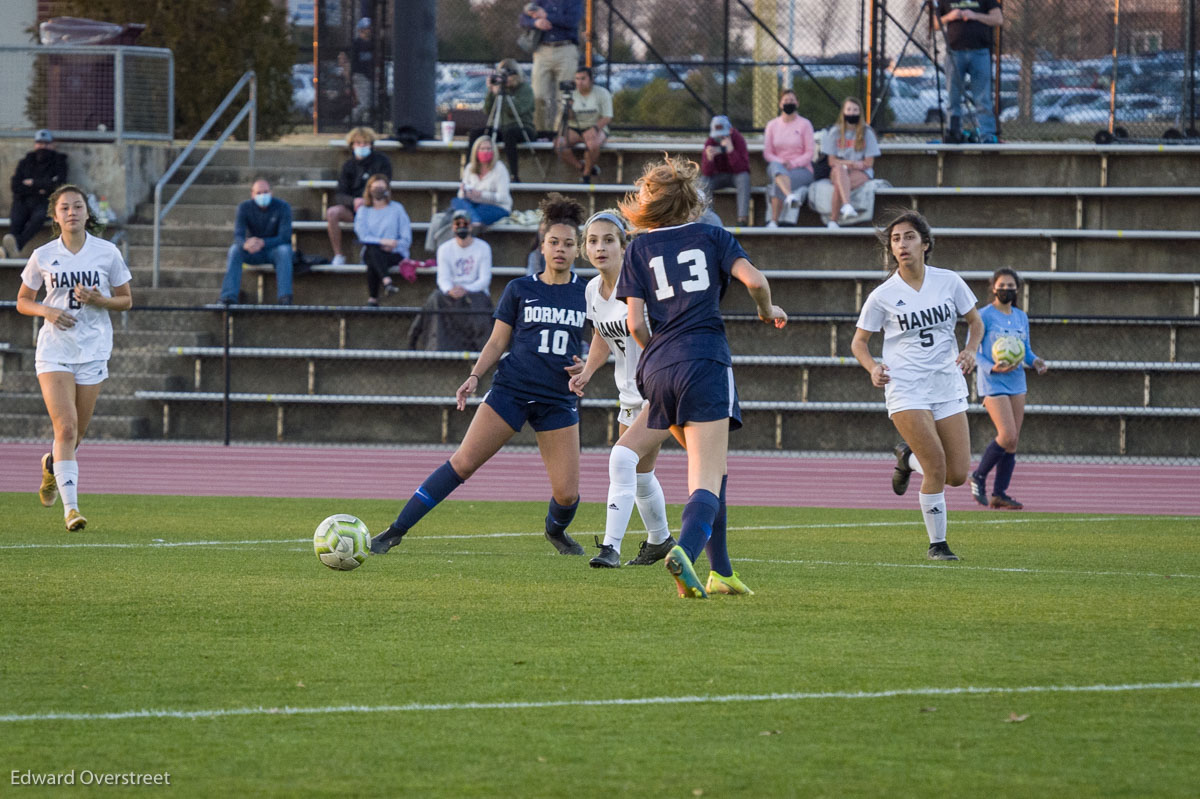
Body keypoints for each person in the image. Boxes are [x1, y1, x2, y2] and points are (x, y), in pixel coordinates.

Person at [370, 193, 590, 558]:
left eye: (568, 244)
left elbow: (605, 340)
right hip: (512, 391)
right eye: (554, 242)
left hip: (557, 399)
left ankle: (556, 531)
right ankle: (395, 531)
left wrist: (589, 365)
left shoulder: (588, 293)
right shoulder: (520, 289)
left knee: (567, 494)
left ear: (577, 248)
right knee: (463, 463)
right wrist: (474, 376)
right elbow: (497, 341)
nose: (560, 250)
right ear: (542, 243)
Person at [613, 155, 787, 598]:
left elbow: (634, 325)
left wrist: (660, 354)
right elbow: (756, 281)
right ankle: (684, 553)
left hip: (655, 367)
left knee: (714, 467)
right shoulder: (714, 235)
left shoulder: (637, 248)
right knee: (706, 478)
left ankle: (722, 571)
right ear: (693, 199)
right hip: (704, 361)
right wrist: (769, 312)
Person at [850, 211, 984, 562]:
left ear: (925, 244)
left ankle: (906, 458)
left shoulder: (949, 281)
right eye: (896, 239)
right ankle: (937, 545)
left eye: (909, 236)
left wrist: (970, 350)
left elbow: (975, 321)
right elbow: (859, 343)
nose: (902, 244)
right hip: (906, 387)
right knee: (937, 465)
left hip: (946, 384)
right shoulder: (883, 295)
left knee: (956, 474)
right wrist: (871, 367)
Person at [16, 184, 132, 531]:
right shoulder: (43, 255)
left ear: (87, 212)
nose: (72, 212)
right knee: (64, 428)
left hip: (93, 349)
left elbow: (126, 299)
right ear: (55, 216)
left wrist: (100, 300)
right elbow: (23, 300)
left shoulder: (107, 253)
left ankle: (52, 465)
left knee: (76, 435)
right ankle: (72, 511)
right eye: (64, 208)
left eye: (78, 206)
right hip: (55, 351)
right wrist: (47, 312)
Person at [568, 211, 674, 568]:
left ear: (624, 246)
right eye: (593, 241)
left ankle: (610, 548)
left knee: (620, 458)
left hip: (658, 389)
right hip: (629, 394)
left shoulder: (643, 285)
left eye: (609, 240)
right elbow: (601, 333)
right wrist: (588, 369)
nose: (600, 247)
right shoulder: (591, 290)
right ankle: (660, 541)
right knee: (641, 475)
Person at [970, 268, 1048, 510]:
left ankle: (999, 494)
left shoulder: (1021, 317)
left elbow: (1025, 348)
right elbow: (972, 352)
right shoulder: (982, 315)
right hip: (993, 381)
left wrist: (1035, 361)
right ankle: (978, 476)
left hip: (1017, 381)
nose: (1006, 290)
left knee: (1013, 442)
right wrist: (992, 367)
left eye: (1010, 286)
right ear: (993, 288)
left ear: (1017, 289)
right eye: (1001, 285)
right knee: (1007, 435)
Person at [414, 208, 493, 351]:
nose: (462, 227)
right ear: (453, 227)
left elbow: (484, 280)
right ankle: (436, 347)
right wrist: (450, 290)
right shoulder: (444, 248)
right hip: (452, 294)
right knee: (436, 298)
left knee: (479, 302)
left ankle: (482, 349)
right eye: (458, 224)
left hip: (475, 293)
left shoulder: (483, 247)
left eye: (465, 223)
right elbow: (443, 279)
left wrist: (466, 289)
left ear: (471, 226)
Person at [936, 0, 1003, 143]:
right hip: (954, 53)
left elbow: (998, 19)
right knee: (953, 97)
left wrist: (975, 15)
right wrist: (949, 17)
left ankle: (987, 135)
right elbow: (934, 24)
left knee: (983, 98)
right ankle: (954, 132)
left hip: (980, 52)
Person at [219, 179, 293, 305]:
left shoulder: (283, 207)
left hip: (273, 250)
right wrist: (245, 244)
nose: (262, 195)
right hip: (252, 251)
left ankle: (285, 298)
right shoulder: (244, 207)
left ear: (271, 192)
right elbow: (238, 235)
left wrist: (263, 242)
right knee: (234, 250)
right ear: (252, 194)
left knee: (285, 251)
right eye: (258, 193)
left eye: (265, 192)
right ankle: (228, 297)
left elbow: (285, 237)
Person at [326, 127, 392, 266]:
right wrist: (353, 201)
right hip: (354, 208)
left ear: (371, 144)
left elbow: (384, 186)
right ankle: (338, 255)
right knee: (332, 212)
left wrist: (367, 198)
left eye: (365, 143)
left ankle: (370, 249)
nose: (362, 146)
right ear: (352, 145)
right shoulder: (348, 166)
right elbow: (340, 194)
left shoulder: (382, 161)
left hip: (375, 207)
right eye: (358, 143)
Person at [520, 0, 583, 135]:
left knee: (565, 97)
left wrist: (546, 15)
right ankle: (540, 133)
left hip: (566, 49)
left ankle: (559, 136)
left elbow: (571, 21)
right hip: (542, 50)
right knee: (538, 96)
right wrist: (535, 23)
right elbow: (523, 18)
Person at [4, 129, 69, 259]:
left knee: (39, 218)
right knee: (16, 219)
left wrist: (32, 182)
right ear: (35, 144)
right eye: (39, 143)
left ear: (52, 145)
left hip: (45, 202)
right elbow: (15, 185)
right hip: (23, 200)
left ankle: (12, 248)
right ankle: (11, 249)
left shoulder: (59, 162)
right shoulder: (26, 162)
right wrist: (42, 186)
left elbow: (59, 186)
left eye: (46, 143)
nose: (42, 147)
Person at [470, 59, 536, 182]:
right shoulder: (498, 90)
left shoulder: (525, 89)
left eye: (508, 76)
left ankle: (514, 175)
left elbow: (516, 110)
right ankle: (471, 171)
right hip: (501, 128)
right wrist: (491, 92)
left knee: (509, 133)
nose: (506, 79)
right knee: (476, 134)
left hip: (522, 128)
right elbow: (488, 110)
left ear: (516, 75)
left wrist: (504, 96)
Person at [821, 97, 881, 228]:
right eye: (849, 109)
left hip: (861, 172)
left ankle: (833, 221)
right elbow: (831, 161)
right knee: (840, 171)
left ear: (860, 112)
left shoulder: (867, 132)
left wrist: (851, 165)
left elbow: (869, 163)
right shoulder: (835, 132)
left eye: (855, 110)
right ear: (843, 111)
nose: (852, 113)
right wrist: (851, 163)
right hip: (840, 169)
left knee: (840, 184)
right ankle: (847, 205)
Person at [353, 173, 412, 306]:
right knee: (372, 250)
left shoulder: (397, 209)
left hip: (394, 252)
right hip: (374, 250)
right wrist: (383, 242)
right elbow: (363, 235)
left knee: (372, 254)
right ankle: (386, 282)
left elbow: (406, 237)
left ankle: (373, 298)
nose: (378, 191)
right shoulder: (363, 211)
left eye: (381, 188)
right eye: (375, 188)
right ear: (369, 190)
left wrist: (394, 245)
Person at [763, 90, 816, 227]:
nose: (789, 103)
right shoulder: (772, 125)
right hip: (778, 166)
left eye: (792, 101)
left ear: (797, 103)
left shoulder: (805, 124)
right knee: (776, 169)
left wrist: (792, 163)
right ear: (780, 104)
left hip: (802, 170)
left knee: (778, 181)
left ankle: (773, 221)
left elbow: (809, 152)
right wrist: (782, 163)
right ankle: (790, 196)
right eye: (785, 101)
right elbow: (768, 153)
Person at [555, 66, 613, 183]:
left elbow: (607, 117)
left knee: (592, 145)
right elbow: (568, 118)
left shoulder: (602, 93)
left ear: (591, 80)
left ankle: (586, 176)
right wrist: (568, 107)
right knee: (559, 145)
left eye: (583, 79)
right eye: (577, 79)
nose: (579, 82)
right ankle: (581, 167)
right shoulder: (570, 94)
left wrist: (594, 129)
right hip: (575, 128)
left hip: (595, 127)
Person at [699, 115, 751, 227]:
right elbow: (706, 173)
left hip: (735, 176)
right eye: (717, 136)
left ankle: (742, 219)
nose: (720, 138)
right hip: (718, 177)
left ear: (730, 131)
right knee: (703, 182)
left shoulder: (738, 139)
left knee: (744, 178)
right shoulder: (710, 142)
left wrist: (731, 150)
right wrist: (709, 159)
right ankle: (707, 218)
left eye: (723, 135)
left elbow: (743, 168)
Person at [451, 137, 513, 230]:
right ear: (476, 151)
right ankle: (474, 220)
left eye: (489, 149)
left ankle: (473, 221)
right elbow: (460, 195)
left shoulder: (500, 168)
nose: (486, 151)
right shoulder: (470, 167)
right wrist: (465, 193)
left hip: (496, 207)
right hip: (473, 204)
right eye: (482, 149)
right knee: (455, 201)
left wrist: (481, 194)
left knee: (462, 219)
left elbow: (503, 197)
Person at [350, 17, 374, 124]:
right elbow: (354, 63)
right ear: (361, 29)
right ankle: (351, 119)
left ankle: (367, 123)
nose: (369, 30)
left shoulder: (372, 44)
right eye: (366, 28)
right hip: (360, 76)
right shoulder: (356, 44)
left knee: (371, 103)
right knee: (365, 104)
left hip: (369, 76)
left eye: (369, 28)